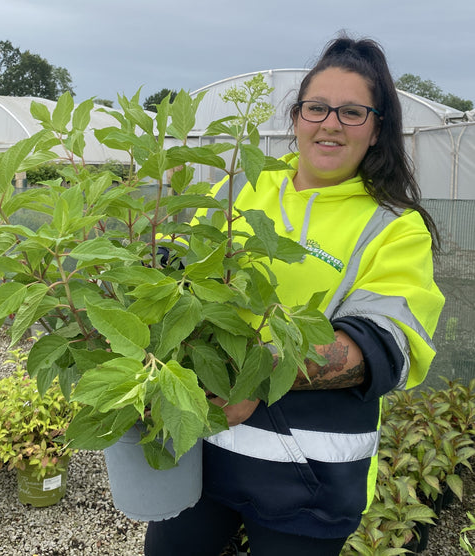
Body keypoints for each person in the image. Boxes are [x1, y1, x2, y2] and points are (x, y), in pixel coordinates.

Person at [144, 36, 445, 556]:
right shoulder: (242, 187)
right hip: (202, 446)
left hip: (311, 477)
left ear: (377, 131)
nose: (331, 123)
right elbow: (178, 270)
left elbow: (380, 344)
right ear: (297, 117)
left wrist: (256, 379)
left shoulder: (395, 226)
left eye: (353, 112)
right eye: (317, 108)